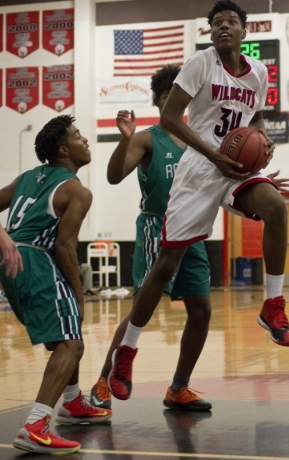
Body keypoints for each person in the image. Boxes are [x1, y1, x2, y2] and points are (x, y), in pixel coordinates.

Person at [106, 0, 289, 404]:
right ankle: (128, 351)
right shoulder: (201, 63)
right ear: (211, 32)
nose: (223, 26)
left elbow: (256, 120)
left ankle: (273, 305)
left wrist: (262, 145)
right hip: (200, 168)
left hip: (235, 165)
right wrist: (213, 156)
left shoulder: (259, 72)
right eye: (217, 23)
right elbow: (170, 117)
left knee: (277, 207)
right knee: (166, 263)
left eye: (231, 21)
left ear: (245, 31)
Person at [90, 65, 212, 412]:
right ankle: (103, 380)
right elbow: (114, 177)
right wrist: (125, 138)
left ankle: (178, 388)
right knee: (142, 306)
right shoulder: (147, 138)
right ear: (160, 99)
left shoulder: (198, 137)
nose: (176, 98)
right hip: (156, 229)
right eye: (170, 93)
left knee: (201, 310)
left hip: (193, 229)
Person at [0, 115, 112, 455]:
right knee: (71, 345)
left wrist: (4, 237)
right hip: (37, 261)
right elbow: (65, 246)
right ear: (64, 150)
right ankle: (35, 425)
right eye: (78, 136)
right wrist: (78, 294)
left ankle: (74, 401)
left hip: (10, 265)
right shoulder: (77, 190)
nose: (85, 140)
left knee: (65, 336)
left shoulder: (26, 178)